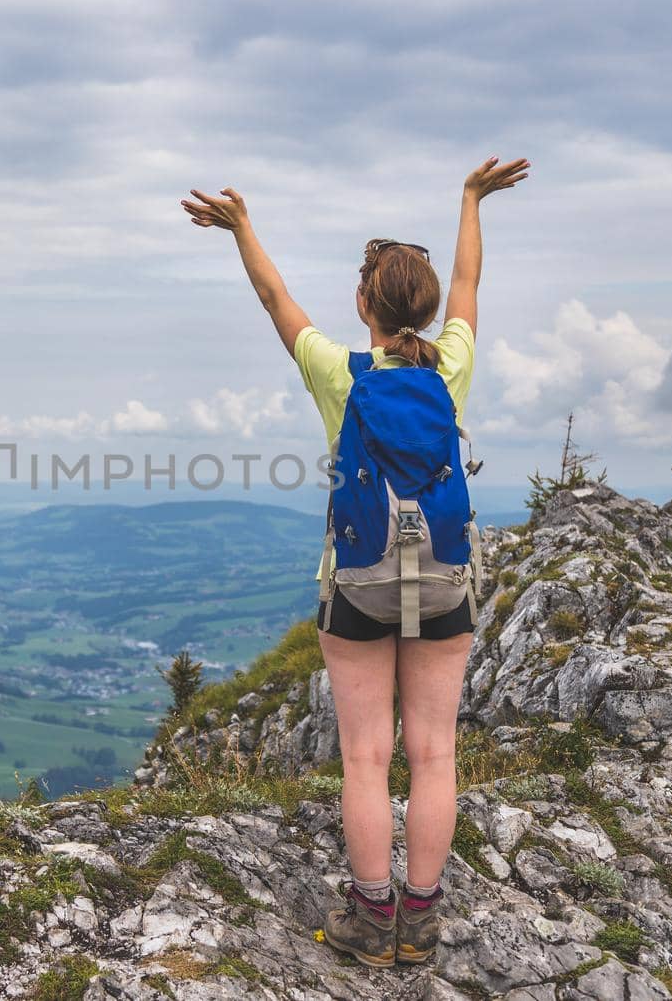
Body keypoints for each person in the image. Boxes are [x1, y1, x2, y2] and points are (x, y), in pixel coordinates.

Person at [179, 155, 530, 967]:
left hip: (359, 582)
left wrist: (242, 228)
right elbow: (472, 282)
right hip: (442, 579)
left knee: (367, 756)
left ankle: (372, 921)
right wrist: (471, 200)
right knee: (435, 752)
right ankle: (423, 921)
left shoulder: (340, 371)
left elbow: (274, 299)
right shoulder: (451, 365)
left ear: (363, 303)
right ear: (430, 309)